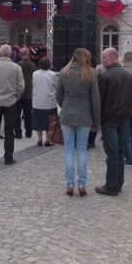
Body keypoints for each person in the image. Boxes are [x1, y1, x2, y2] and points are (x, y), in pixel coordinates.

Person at [56, 48, 101, 197]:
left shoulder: (64, 72)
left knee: (68, 150)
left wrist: (66, 106)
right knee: (82, 150)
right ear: (86, 58)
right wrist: (96, 121)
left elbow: (58, 95)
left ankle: (69, 184)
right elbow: (95, 100)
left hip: (68, 114)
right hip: (85, 115)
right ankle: (82, 184)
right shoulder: (91, 73)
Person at [95, 48, 132, 196]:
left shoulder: (105, 76)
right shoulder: (128, 75)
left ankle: (111, 186)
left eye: (104, 57)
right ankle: (118, 182)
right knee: (119, 151)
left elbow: (100, 99)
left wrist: (97, 119)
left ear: (113, 58)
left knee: (112, 152)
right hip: (124, 118)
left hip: (110, 119)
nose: (102, 60)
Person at [32, 56, 58, 147]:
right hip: (49, 102)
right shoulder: (53, 74)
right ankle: (48, 139)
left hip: (37, 101)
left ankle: (39, 139)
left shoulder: (35, 74)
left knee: (38, 121)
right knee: (49, 122)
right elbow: (56, 86)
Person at [14, 47, 37, 139]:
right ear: (28, 54)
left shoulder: (16, 65)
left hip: (18, 92)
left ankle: (18, 133)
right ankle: (28, 132)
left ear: (20, 54)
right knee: (28, 114)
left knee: (16, 114)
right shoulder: (33, 65)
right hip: (29, 92)